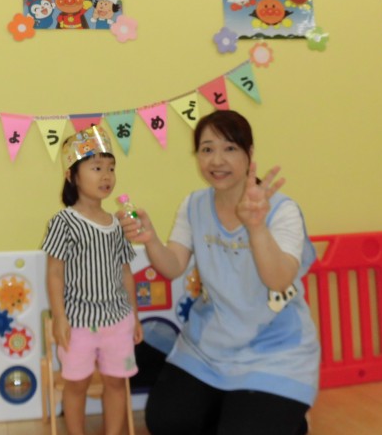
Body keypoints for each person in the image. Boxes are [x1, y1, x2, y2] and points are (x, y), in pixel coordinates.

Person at [118, 110, 319, 435]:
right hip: (208, 348)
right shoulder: (194, 205)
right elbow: (173, 266)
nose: (217, 160)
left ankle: (284, 419)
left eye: (229, 148)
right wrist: (151, 239)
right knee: (166, 422)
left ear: (249, 153)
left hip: (275, 350)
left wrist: (256, 227)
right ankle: (237, 410)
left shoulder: (282, 210)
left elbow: (279, 280)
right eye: (207, 149)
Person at [42, 125, 143, 435]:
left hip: (117, 320)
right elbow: (55, 272)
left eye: (110, 168)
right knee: (76, 385)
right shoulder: (63, 222)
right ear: (72, 176)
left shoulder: (117, 223)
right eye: (96, 168)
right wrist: (59, 317)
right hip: (78, 323)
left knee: (116, 382)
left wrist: (135, 315)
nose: (106, 176)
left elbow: (125, 272)